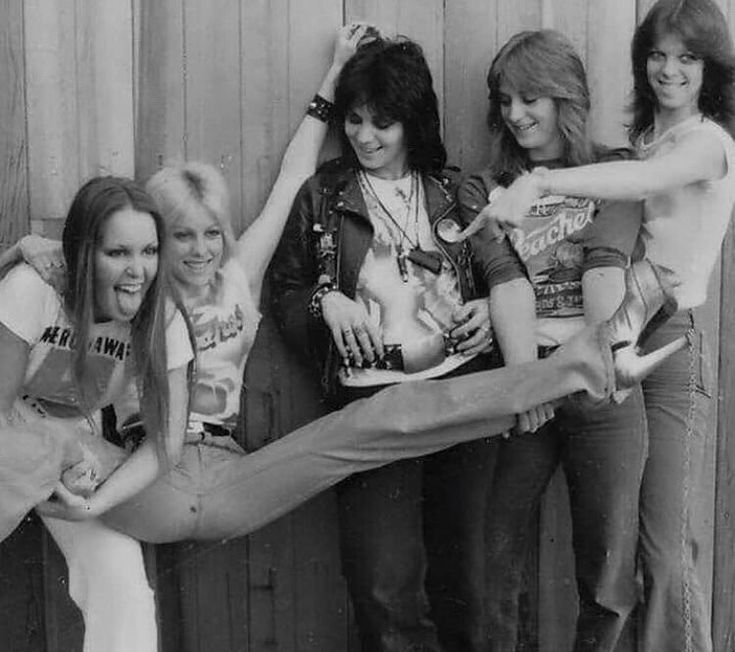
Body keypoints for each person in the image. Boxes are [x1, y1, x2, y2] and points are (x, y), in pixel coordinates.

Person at [461, 2, 735, 650]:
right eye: (657, 54)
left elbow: (611, 253)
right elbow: (510, 279)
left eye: (686, 57)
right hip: (573, 361)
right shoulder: (640, 141)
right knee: (525, 558)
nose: (667, 69)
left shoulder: (689, 149)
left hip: (638, 354)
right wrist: (531, 381)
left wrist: (541, 182)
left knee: (643, 559)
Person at [268, 35, 501, 651]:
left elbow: (507, 278)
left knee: (468, 588)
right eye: (354, 119)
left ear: (413, 120)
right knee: (382, 586)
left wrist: (490, 310)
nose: (365, 136)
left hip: (462, 402)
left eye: (383, 122)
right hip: (373, 408)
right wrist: (325, 302)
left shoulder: (456, 192)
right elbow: (284, 290)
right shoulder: (324, 195)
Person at [458, 29, 648, 652]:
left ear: (566, 98)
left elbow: (603, 270)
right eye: (504, 100)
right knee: (494, 565)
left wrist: (580, 372)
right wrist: (528, 383)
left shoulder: (615, 172)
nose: (515, 115)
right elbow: (505, 279)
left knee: (608, 571)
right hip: (526, 380)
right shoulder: (483, 189)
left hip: (601, 384)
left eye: (530, 98)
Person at [0, 176, 193, 652]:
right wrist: (49, 462)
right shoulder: (33, 289)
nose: (137, 271)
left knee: (122, 588)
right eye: (117, 253)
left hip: (73, 440)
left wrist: (94, 504)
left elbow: (166, 443)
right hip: (14, 428)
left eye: (148, 252)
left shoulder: (162, 315)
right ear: (85, 253)